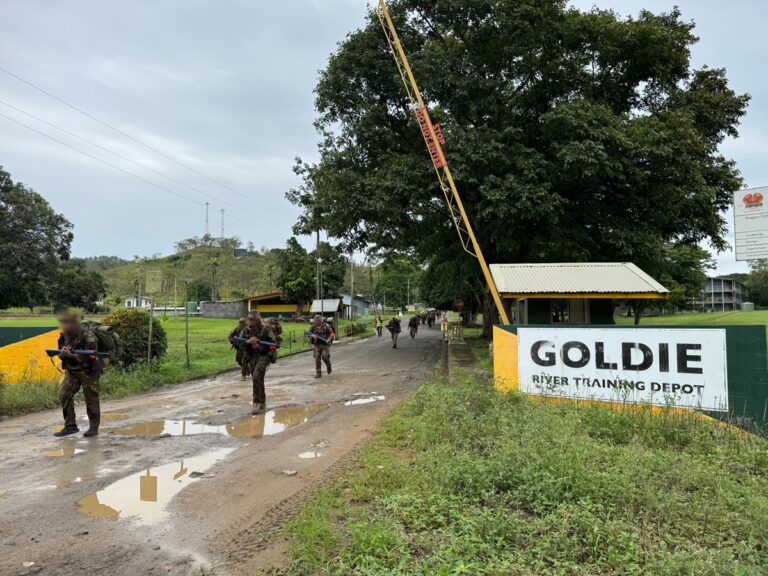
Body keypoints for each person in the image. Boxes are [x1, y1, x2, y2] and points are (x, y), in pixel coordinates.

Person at [54, 311, 103, 437]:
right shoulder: (64, 336)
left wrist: (73, 355)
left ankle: (93, 427)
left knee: (91, 398)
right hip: (72, 371)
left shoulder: (88, 336)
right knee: (64, 394)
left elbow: (91, 356)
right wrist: (63, 355)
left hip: (89, 371)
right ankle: (70, 426)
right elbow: (61, 353)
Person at [243, 313, 279, 415]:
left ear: (258, 319)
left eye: (253, 320)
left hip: (264, 355)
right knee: (258, 378)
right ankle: (261, 402)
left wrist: (260, 347)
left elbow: (274, 344)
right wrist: (248, 342)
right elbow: (239, 342)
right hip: (252, 357)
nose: (251, 322)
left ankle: (256, 403)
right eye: (250, 319)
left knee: (256, 376)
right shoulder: (246, 330)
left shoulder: (266, 329)